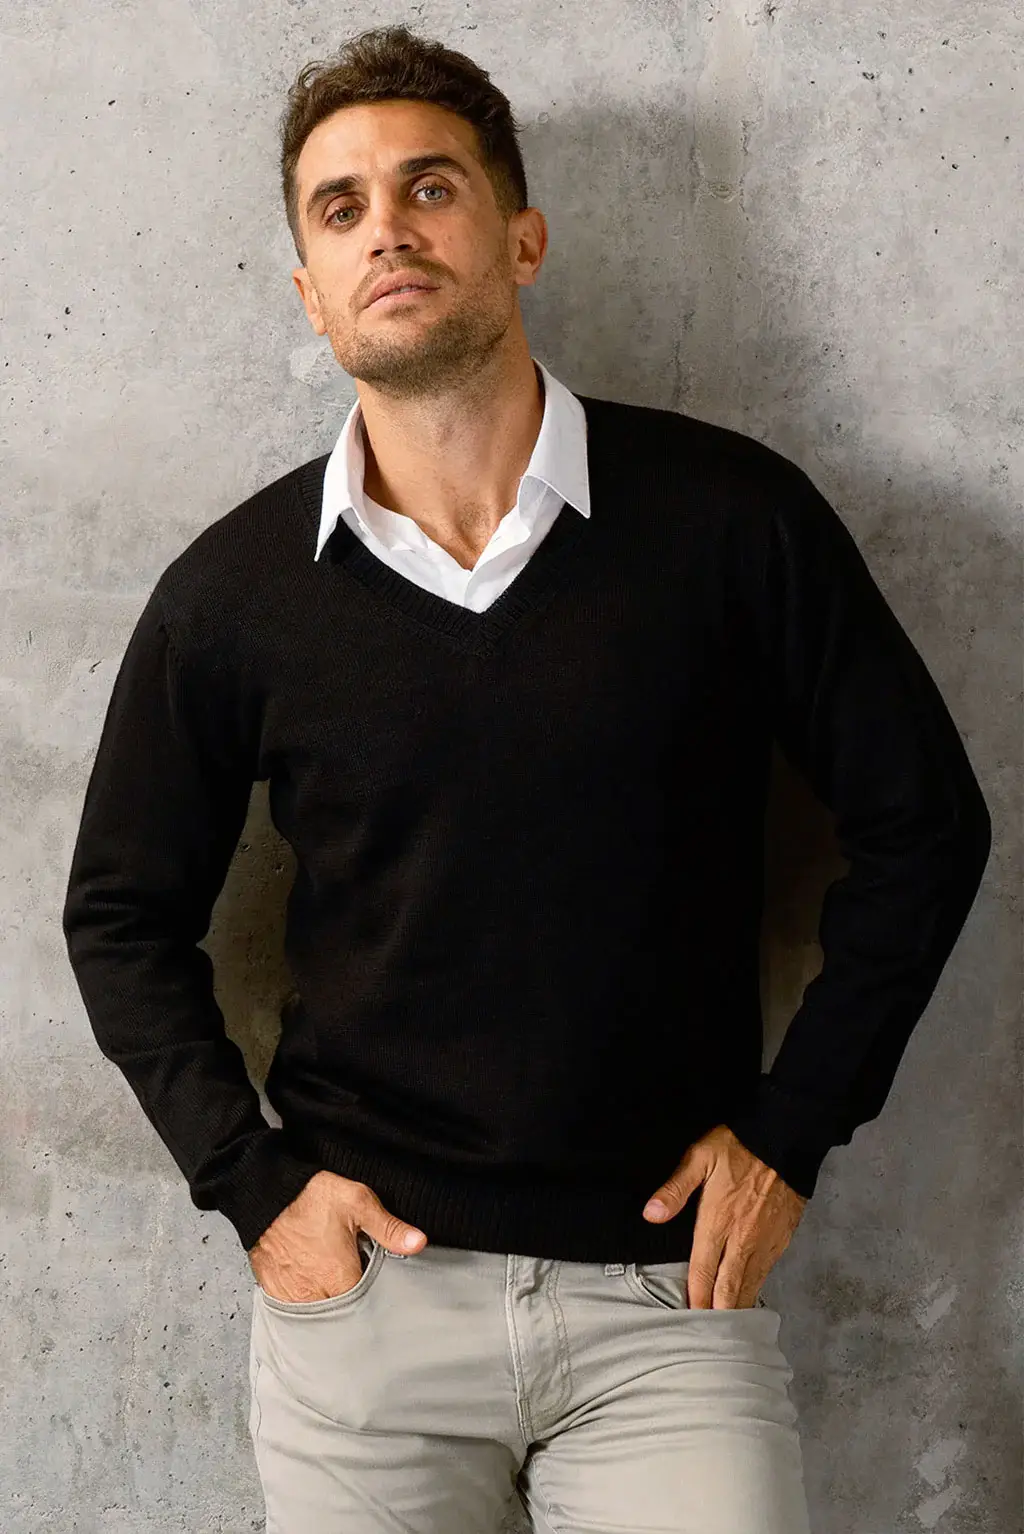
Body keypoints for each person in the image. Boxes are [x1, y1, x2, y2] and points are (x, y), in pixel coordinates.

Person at [61, 24, 992, 1534]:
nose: (387, 230)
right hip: (366, 1311)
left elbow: (927, 829)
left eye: (430, 187)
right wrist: (253, 1188)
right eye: (342, 208)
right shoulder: (230, 597)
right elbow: (118, 915)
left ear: (522, 237)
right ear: (309, 290)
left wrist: (791, 1133)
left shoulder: (732, 522)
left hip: (664, 1300)